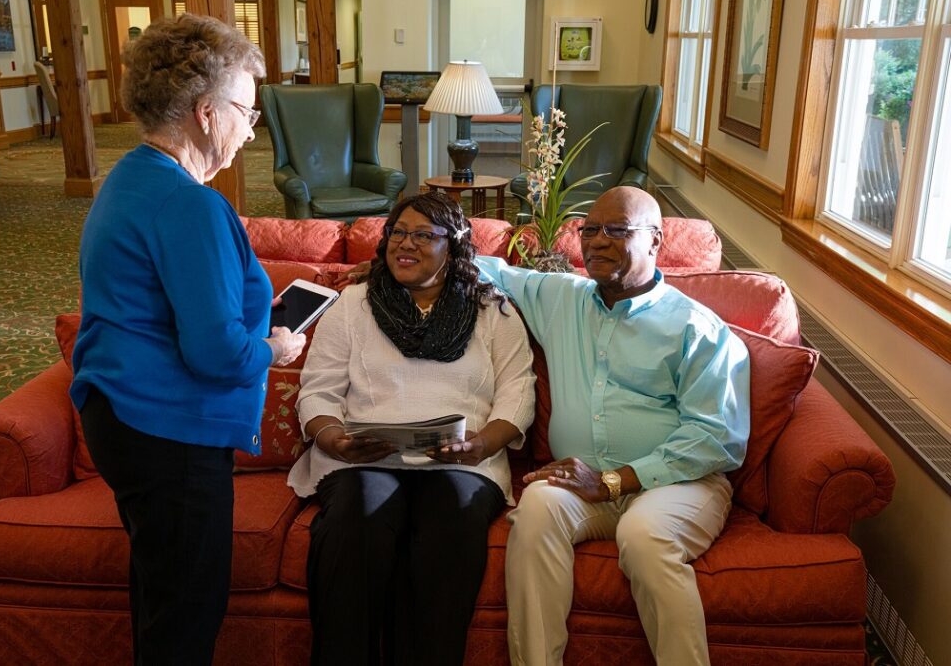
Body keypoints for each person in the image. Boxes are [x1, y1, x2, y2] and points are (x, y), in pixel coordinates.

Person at [70, 15, 306, 665]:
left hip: (123, 418)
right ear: (206, 112)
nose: (250, 129)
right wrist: (275, 349)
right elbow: (217, 353)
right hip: (168, 433)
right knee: (187, 617)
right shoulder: (191, 205)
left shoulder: (129, 177)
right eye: (246, 111)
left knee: (162, 597)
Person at [474, 187, 751, 665]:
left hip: (680, 485)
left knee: (644, 537)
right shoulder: (560, 297)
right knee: (537, 507)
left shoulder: (696, 328)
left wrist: (614, 481)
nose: (597, 242)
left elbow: (717, 437)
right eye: (589, 230)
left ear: (655, 241)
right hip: (585, 480)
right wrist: (398, 270)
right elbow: (487, 269)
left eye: (617, 230)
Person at [289, 191, 536, 665]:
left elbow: (518, 392)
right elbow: (317, 390)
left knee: (452, 515)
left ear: (455, 245)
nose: (406, 244)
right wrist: (332, 438)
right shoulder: (354, 303)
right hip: (361, 457)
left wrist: (482, 443)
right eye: (398, 233)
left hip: (464, 462)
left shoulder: (492, 310)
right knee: (359, 516)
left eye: (424, 235)